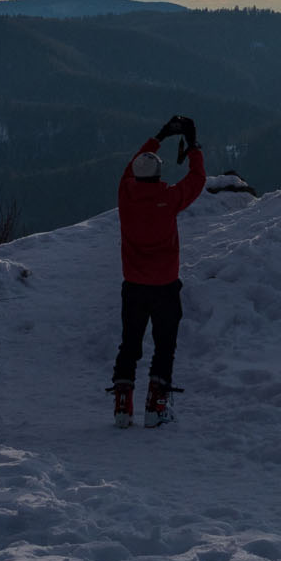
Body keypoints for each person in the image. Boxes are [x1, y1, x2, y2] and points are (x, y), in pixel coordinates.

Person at [109, 115, 205, 428]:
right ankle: (157, 404)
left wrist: (158, 137)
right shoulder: (169, 197)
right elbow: (197, 179)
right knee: (164, 346)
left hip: (133, 285)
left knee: (130, 344)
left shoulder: (126, 195)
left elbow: (130, 168)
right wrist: (192, 146)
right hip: (164, 285)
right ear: (159, 174)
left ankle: (123, 406)